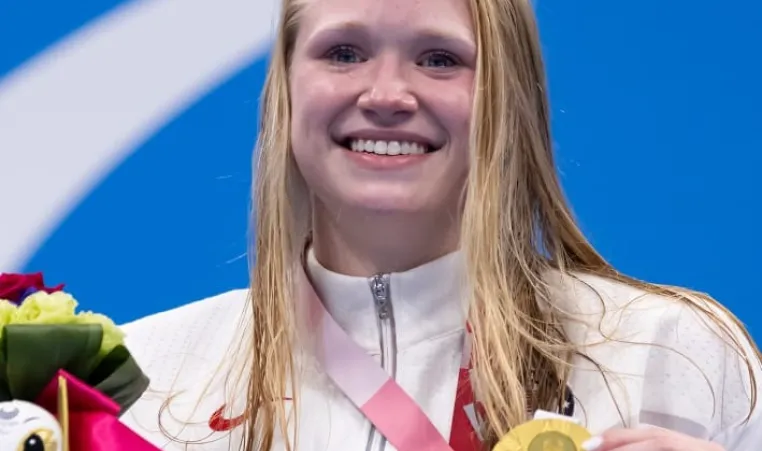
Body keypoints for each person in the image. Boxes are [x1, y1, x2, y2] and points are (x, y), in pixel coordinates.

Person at [119, 0, 762, 449]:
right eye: (344, 52)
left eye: (439, 59)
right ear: (286, 86)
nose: (387, 94)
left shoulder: (666, 351)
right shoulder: (140, 379)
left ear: (507, 95)